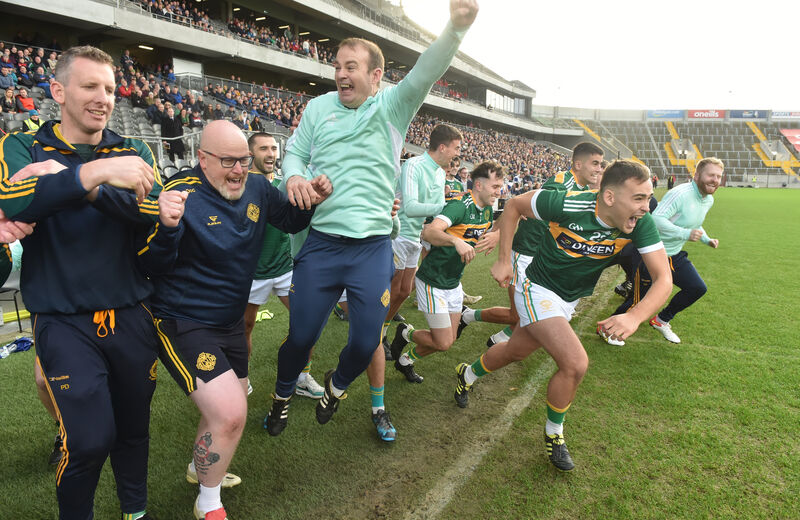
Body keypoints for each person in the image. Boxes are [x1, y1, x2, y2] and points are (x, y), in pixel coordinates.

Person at [265, 0, 479, 436]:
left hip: (372, 248)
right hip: (322, 243)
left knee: (365, 342)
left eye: (351, 67)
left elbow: (426, 70)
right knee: (301, 338)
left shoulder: (393, 106)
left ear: (376, 75)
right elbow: (297, 154)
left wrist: (455, 28)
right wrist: (292, 178)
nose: (341, 74)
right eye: (337, 66)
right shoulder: (318, 107)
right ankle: (281, 396)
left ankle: (336, 386)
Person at [0, 45, 162, 520]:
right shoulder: (20, 146)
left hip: (132, 313)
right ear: (58, 90)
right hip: (64, 320)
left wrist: (73, 181)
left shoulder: (133, 149)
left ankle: (136, 512)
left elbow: (150, 211)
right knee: (89, 440)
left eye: (110, 89)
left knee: (134, 430)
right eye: (90, 86)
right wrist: (96, 174)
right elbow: (14, 199)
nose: (103, 98)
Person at [137, 120, 329, 520]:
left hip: (228, 321)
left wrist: (313, 199)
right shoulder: (179, 193)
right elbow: (152, 264)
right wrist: (169, 227)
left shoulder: (257, 186)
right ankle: (208, 504)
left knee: (231, 403)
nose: (239, 169)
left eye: (243, 160)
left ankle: (199, 467)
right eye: (228, 161)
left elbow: (290, 220)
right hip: (181, 320)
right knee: (229, 413)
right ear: (202, 159)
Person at [456, 160, 672, 472]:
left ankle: (467, 373)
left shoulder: (641, 223)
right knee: (575, 363)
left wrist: (634, 316)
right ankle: (554, 434)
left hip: (570, 299)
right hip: (537, 288)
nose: (646, 207)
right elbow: (515, 205)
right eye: (639, 198)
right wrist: (505, 260)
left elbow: (663, 278)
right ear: (610, 198)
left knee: (516, 350)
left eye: (648, 197)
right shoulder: (567, 202)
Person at [390, 161, 503, 381]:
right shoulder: (460, 205)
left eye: (501, 186)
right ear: (478, 185)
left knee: (448, 340)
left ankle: (406, 360)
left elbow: (505, 218)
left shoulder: (487, 209)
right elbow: (430, 233)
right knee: (442, 342)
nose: (500, 191)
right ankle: (406, 332)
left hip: (453, 282)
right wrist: (455, 242)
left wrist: (497, 234)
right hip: (433, 281)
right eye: (495, 186)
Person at [484, 142, 604, 348]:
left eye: (601, 165)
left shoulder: (579, 187)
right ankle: (494, 339)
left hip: (540, 252)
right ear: (578, 164)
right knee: (525, 312)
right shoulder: (561, 183)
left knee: (528, 312)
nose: (599, 169)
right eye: (595, 163)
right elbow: (523, 204)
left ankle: (488, 330)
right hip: (526, 251)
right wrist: (498, 232)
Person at [242, 132, 325, 399]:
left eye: (274, 149)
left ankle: (301, 376)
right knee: (245, 327)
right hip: (251, 272)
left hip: (285, 267)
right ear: (250, 153)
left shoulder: (286, 184)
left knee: (307, 322)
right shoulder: (241, 186)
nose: (271, 154)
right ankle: (241, 377)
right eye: (264, 148)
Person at [619, 157, 722, 344]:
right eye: (711, 175)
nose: (715, 180)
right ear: (697, 175)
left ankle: (661, 320)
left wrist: (707, 240)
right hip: (651, 253)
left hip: (674, 254)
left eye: (718, 176)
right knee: (637, 302)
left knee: (697, 288)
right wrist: (684, 233)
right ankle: (607, 328)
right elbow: (656, 219)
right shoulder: (681, 194)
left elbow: (696, 223)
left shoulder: (708, 200)